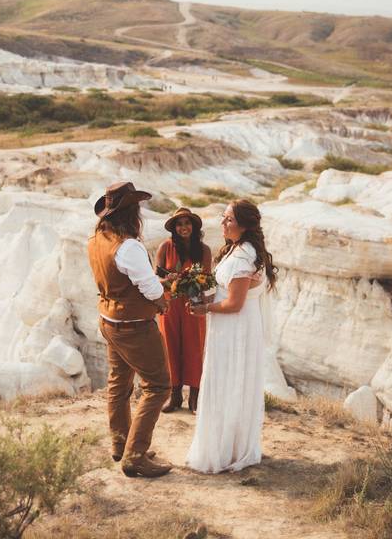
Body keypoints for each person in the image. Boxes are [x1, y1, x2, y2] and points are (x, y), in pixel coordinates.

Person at [87, 181, 173, 478]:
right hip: (134, 326)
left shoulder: (97, 239)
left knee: (119, 384)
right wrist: (162, 301)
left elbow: (121, 281)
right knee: (158, 386)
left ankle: (120, 444)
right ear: (131, 212)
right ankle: (135, 456)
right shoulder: (129, 246)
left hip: (109, 320)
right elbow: (147, 287)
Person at [185, 199, 278, 473]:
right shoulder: (236, 250)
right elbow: (227, 293)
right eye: (223, 218)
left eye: (228, 219)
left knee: (229, 381)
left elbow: (235, 304)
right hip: (228, 326)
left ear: (245, 225)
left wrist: (205, 308)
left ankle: (227, 450)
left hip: (235, 329)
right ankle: (228, 444)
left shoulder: (243, 257)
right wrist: (204, 296)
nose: (222, 223)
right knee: (225, 380)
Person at [155, 208, 212, 414]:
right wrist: (169, 280)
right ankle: (175, 396)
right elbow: (156, 279)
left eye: (187, 223)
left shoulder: (204, 250)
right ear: (174, 228)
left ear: (194, 226)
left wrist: (191, 282)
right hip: (169, 305)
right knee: (170, 348)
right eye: (179, 224)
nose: (183, 227)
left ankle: (195, 399)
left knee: (194, 348)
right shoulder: (165, 247)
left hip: (193, 305)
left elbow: (206, 281)